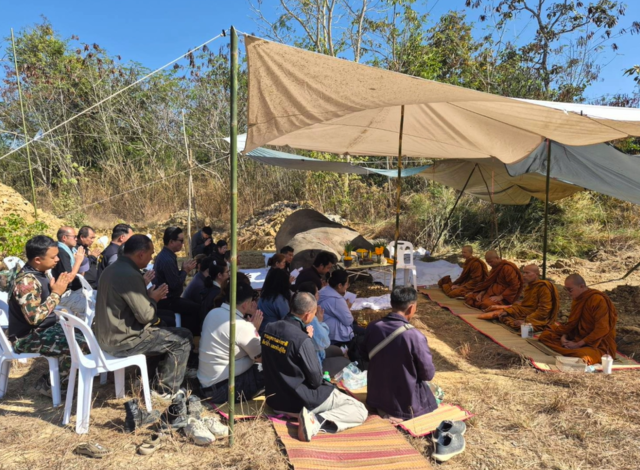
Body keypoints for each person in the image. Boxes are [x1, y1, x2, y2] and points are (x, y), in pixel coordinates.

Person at [94, 234, 193, 397]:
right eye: (150, 253)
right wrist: (153, 299)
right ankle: (166, 390)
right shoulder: (130, 274)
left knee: (163, 328)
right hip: (122, 341)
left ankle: (146, 378)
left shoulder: (112, 269)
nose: (151, 258)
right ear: (140, 254)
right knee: (182, 338)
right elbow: (146, 317)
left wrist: (147, 296)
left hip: (107, 336)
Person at [261, 291, 368, 442]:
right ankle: (315, 421)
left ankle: (311, 417)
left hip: (275, 400)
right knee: (359, 409)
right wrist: (308, 342)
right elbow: (316, 380)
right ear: (307, 315)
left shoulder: (269, 328)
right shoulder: (302, 339)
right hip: (299, 401)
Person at [8, 236, 88, 397]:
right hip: (27, 338)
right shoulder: (26, 282)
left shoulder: (40, 273)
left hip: (44, 329)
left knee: (85, 335)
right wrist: (56, 294)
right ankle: (54, 386)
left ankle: (54, 381)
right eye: (53, 257)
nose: (57, 259)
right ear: (38, 260)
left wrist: (53, 291)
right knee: (79, 345)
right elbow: (34, 318)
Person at [362, 287, 437, 422]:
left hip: (376, 398)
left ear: (392, 303)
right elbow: (428, 374)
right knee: (433, 391)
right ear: (411, 308)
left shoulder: (373, 326)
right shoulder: (415, 336)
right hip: (405, 406)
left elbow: (364, 356)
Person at [198, 282, 264, 404]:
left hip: (205, 384)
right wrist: (255, 330)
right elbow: (260, 358)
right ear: (245, 305)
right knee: (270, 367)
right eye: (252, 302)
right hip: (222, 390)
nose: (254, 304)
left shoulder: (213, 312)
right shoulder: (242, 326)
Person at [539, 274, 617, 365]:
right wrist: (564, 337)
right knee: (546, 335)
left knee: (583, 356)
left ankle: (573, 350)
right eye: (567, 290)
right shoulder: (577, 300)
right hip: (578, 337)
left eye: (570, 290)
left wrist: (578, 344)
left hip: (596, 343)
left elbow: (602, 329)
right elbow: (572, 324)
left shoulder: (598, 300)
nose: (569, 293)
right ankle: (569, 348)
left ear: (581, 286)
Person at [478, 264, 559, 331]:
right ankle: (513, 318)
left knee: (523, 328)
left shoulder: (543, 287)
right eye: (524, 273)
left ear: (537, 274)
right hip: (527, 312)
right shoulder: (530, 286)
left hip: (538, 318)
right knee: (502, 315)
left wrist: (526, 320)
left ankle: (526, 329)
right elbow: (526, 305)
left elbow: (544, 310)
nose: (524, 275)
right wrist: (509, 311)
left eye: (527, 273)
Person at [153, 226, 200, 335]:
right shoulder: (167, 259)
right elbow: (175, 284)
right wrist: (185, 271)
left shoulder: (167, 255)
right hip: (167, 300)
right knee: (196, 309)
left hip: (169, 298)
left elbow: (172, 278)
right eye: (181, 241)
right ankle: (189, 336)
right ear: (171, 241)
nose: (182, 244)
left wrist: (182, 271)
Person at [297, 282, 350, 377]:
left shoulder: (296, 311)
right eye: (317, 293)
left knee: (337, 350)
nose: (319, 294)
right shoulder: (310, 317)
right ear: (311, 298)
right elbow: (324, 342)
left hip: (312, 354)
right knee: (346, 362)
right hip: (313, 364)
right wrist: (320, 321)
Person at [319, 270, 363, 346]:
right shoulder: (337, 300)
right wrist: (347, 307)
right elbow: (348, 321)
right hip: (334, 335)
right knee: (364, 333)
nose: (347, 286)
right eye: (347, 284)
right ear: (339, 285)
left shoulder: (323, 290)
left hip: (324, 329)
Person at [257, 268, 291, 335]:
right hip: (273, 334)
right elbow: (287, 319)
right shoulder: (278, 299)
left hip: (262, 331)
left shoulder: (263, 296)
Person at [51, 226, 85, 291]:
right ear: (64, 238)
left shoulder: (73, 250)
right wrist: (78, 261)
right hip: (66, 291)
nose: (76, 239)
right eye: (74, 237)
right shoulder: (61, 252)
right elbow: (68, 279)